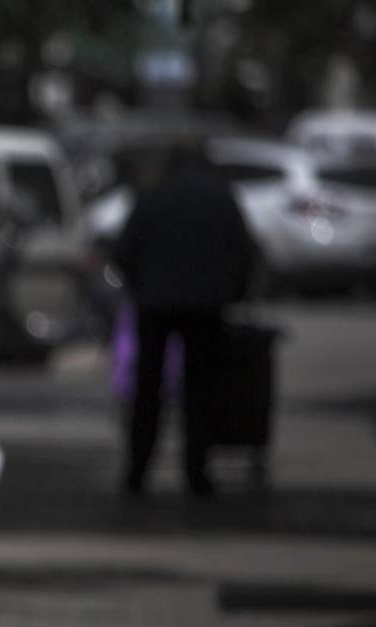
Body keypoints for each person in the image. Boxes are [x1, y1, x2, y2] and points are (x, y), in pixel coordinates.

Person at [112, 140, 257, 498]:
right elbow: (244, 251)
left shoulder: (151, 197)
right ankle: (197, 472)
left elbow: (123, 251)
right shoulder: (220, 198)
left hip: (155, 306)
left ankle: (138, 469)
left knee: (148, 391)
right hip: (206, 306)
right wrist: (233, 292)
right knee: (201, 390)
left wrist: (140, 287)